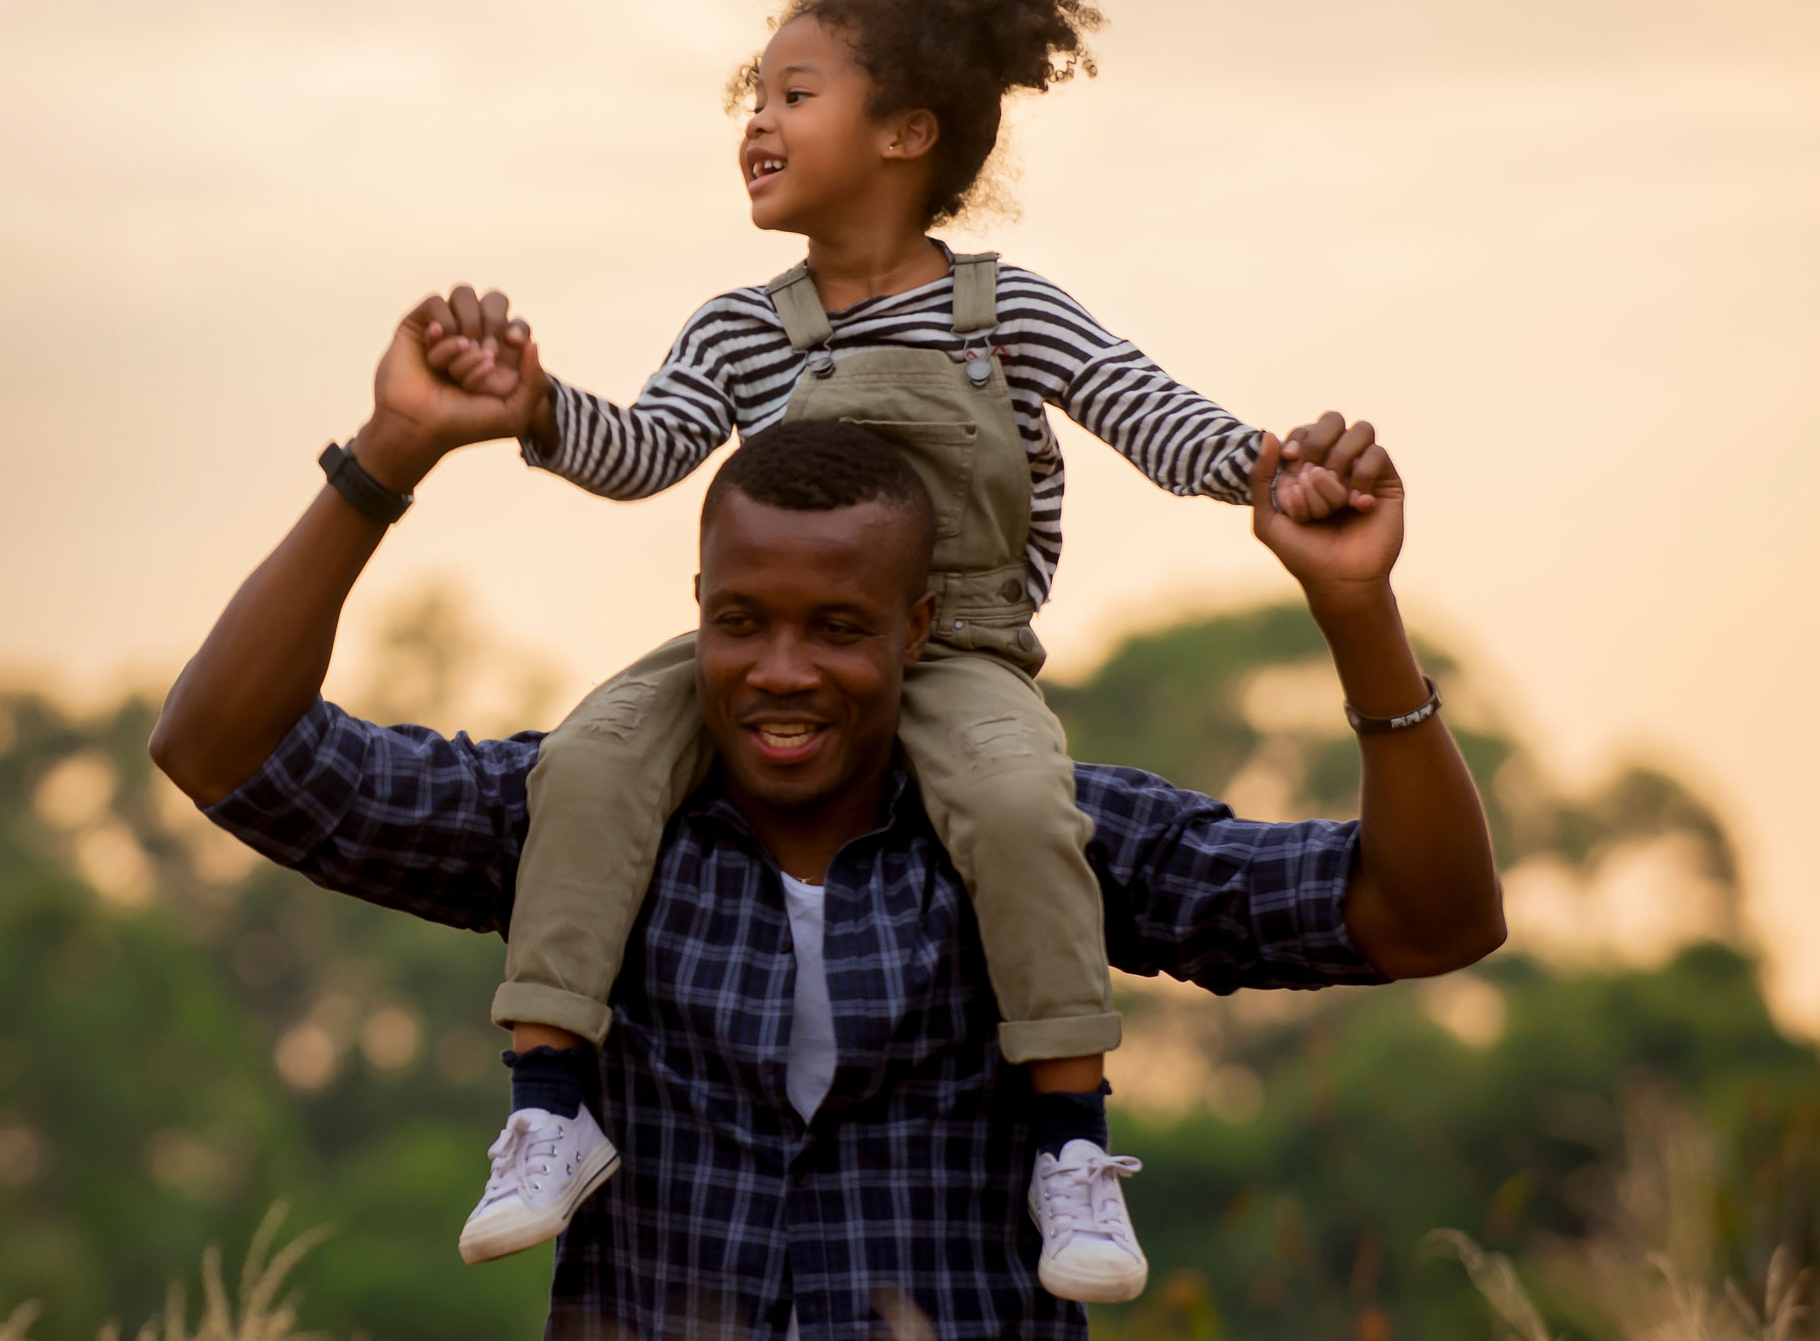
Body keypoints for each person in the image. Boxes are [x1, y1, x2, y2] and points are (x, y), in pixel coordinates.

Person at [394, 0, 1371, 1296]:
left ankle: (1071, 1151)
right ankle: (549, 1108)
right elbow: (646, 455)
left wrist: (1274, 467)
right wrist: (537, 409)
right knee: (591, 761)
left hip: (956, 651)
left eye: (795, 96)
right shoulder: (739, 330)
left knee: (1030, 812)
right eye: (753, 97)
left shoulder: (1001, 312)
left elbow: (1152, 414)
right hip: (768, 650)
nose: (758, 122)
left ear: (908, 129)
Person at [145, 362, 1500, 1336]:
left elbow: (1426, 919)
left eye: (837, 630)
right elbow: (224, 753)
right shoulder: (581, 818)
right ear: (697, 611)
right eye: (743, 622)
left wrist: (1357, 610)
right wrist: (385, 459)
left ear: (919, 631)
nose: (781, 672)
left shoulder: (1040, 838)